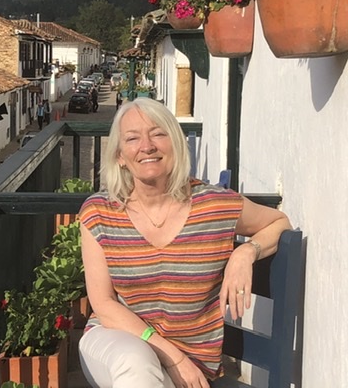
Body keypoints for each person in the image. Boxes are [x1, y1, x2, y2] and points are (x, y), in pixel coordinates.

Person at [77, 98, 291, 388]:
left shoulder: (215, 205)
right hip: (117, 340)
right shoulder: (100, 213)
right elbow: (103, 304)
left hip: (193, 363)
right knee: (136, 364)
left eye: (158, 133)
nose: (147, 146)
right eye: (132, 138)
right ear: (119, 156)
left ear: (176, 144)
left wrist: (245, 252)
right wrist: (173, 357)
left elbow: (279, 222)